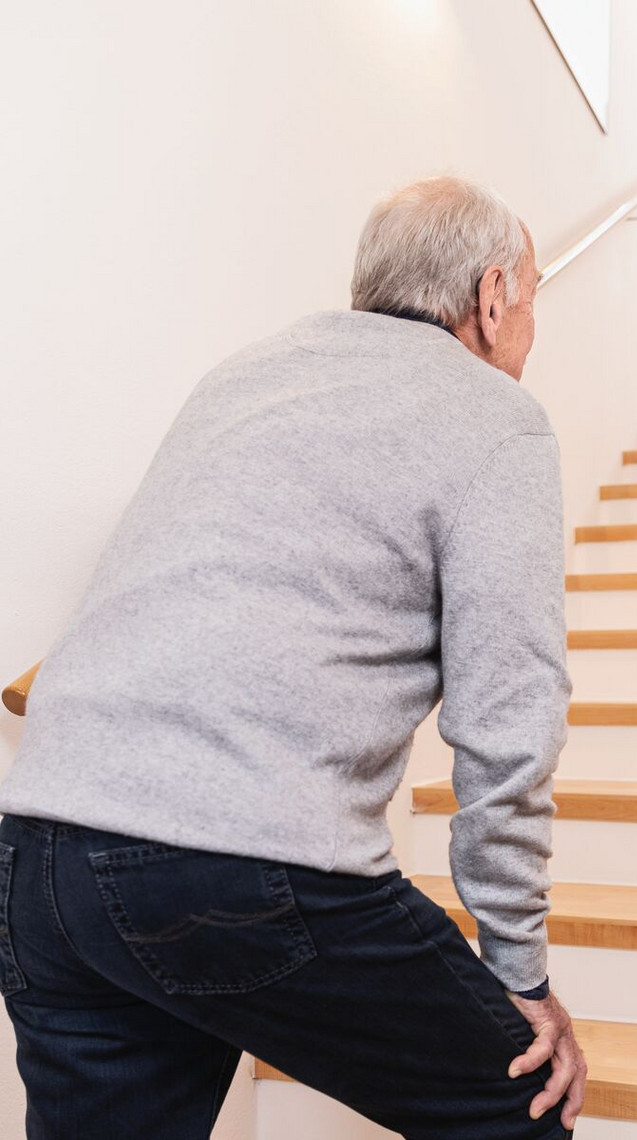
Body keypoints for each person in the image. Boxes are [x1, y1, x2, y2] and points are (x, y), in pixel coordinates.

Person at [0, 176, 585, 1139]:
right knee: (519, 1106)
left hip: (42, 851)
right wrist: (518, 973)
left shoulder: (245, 374)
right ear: (491, 298)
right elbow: (509, 726)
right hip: (236, 864)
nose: (530, 329)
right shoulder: (497, 418)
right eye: (530, 300)